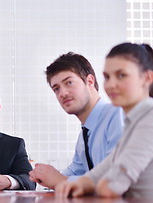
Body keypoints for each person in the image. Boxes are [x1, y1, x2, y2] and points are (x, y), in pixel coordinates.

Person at [56, 42, 153, 198]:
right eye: (107, 77)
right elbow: (102, 171)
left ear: (147, 78)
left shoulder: (149, 117)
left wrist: (94, 184)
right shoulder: (133, 121)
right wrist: (85, 183)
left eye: (121, 75)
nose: (111, 84)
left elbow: (111, 186)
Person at [29, 52, 124, 189]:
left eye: (69, 82)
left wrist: (59, 180)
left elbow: (116, 177)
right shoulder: (85, 135)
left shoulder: (117, 116)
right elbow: (74, 171)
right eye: (56, 89)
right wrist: (42, 178)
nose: (62, 93)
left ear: (90, 81)